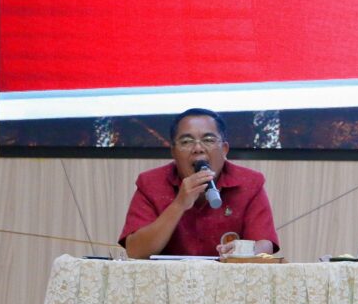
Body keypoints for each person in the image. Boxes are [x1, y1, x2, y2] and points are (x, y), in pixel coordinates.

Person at [119, 108, 279, 258]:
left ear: (224, 150)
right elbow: (135, 251)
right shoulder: (150, 183)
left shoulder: (249, 183)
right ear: (173, 152)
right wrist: (179, 204)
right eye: (186, 142)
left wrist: (243, 251)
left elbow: (265, 246)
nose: (198, 148)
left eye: (208, 140)